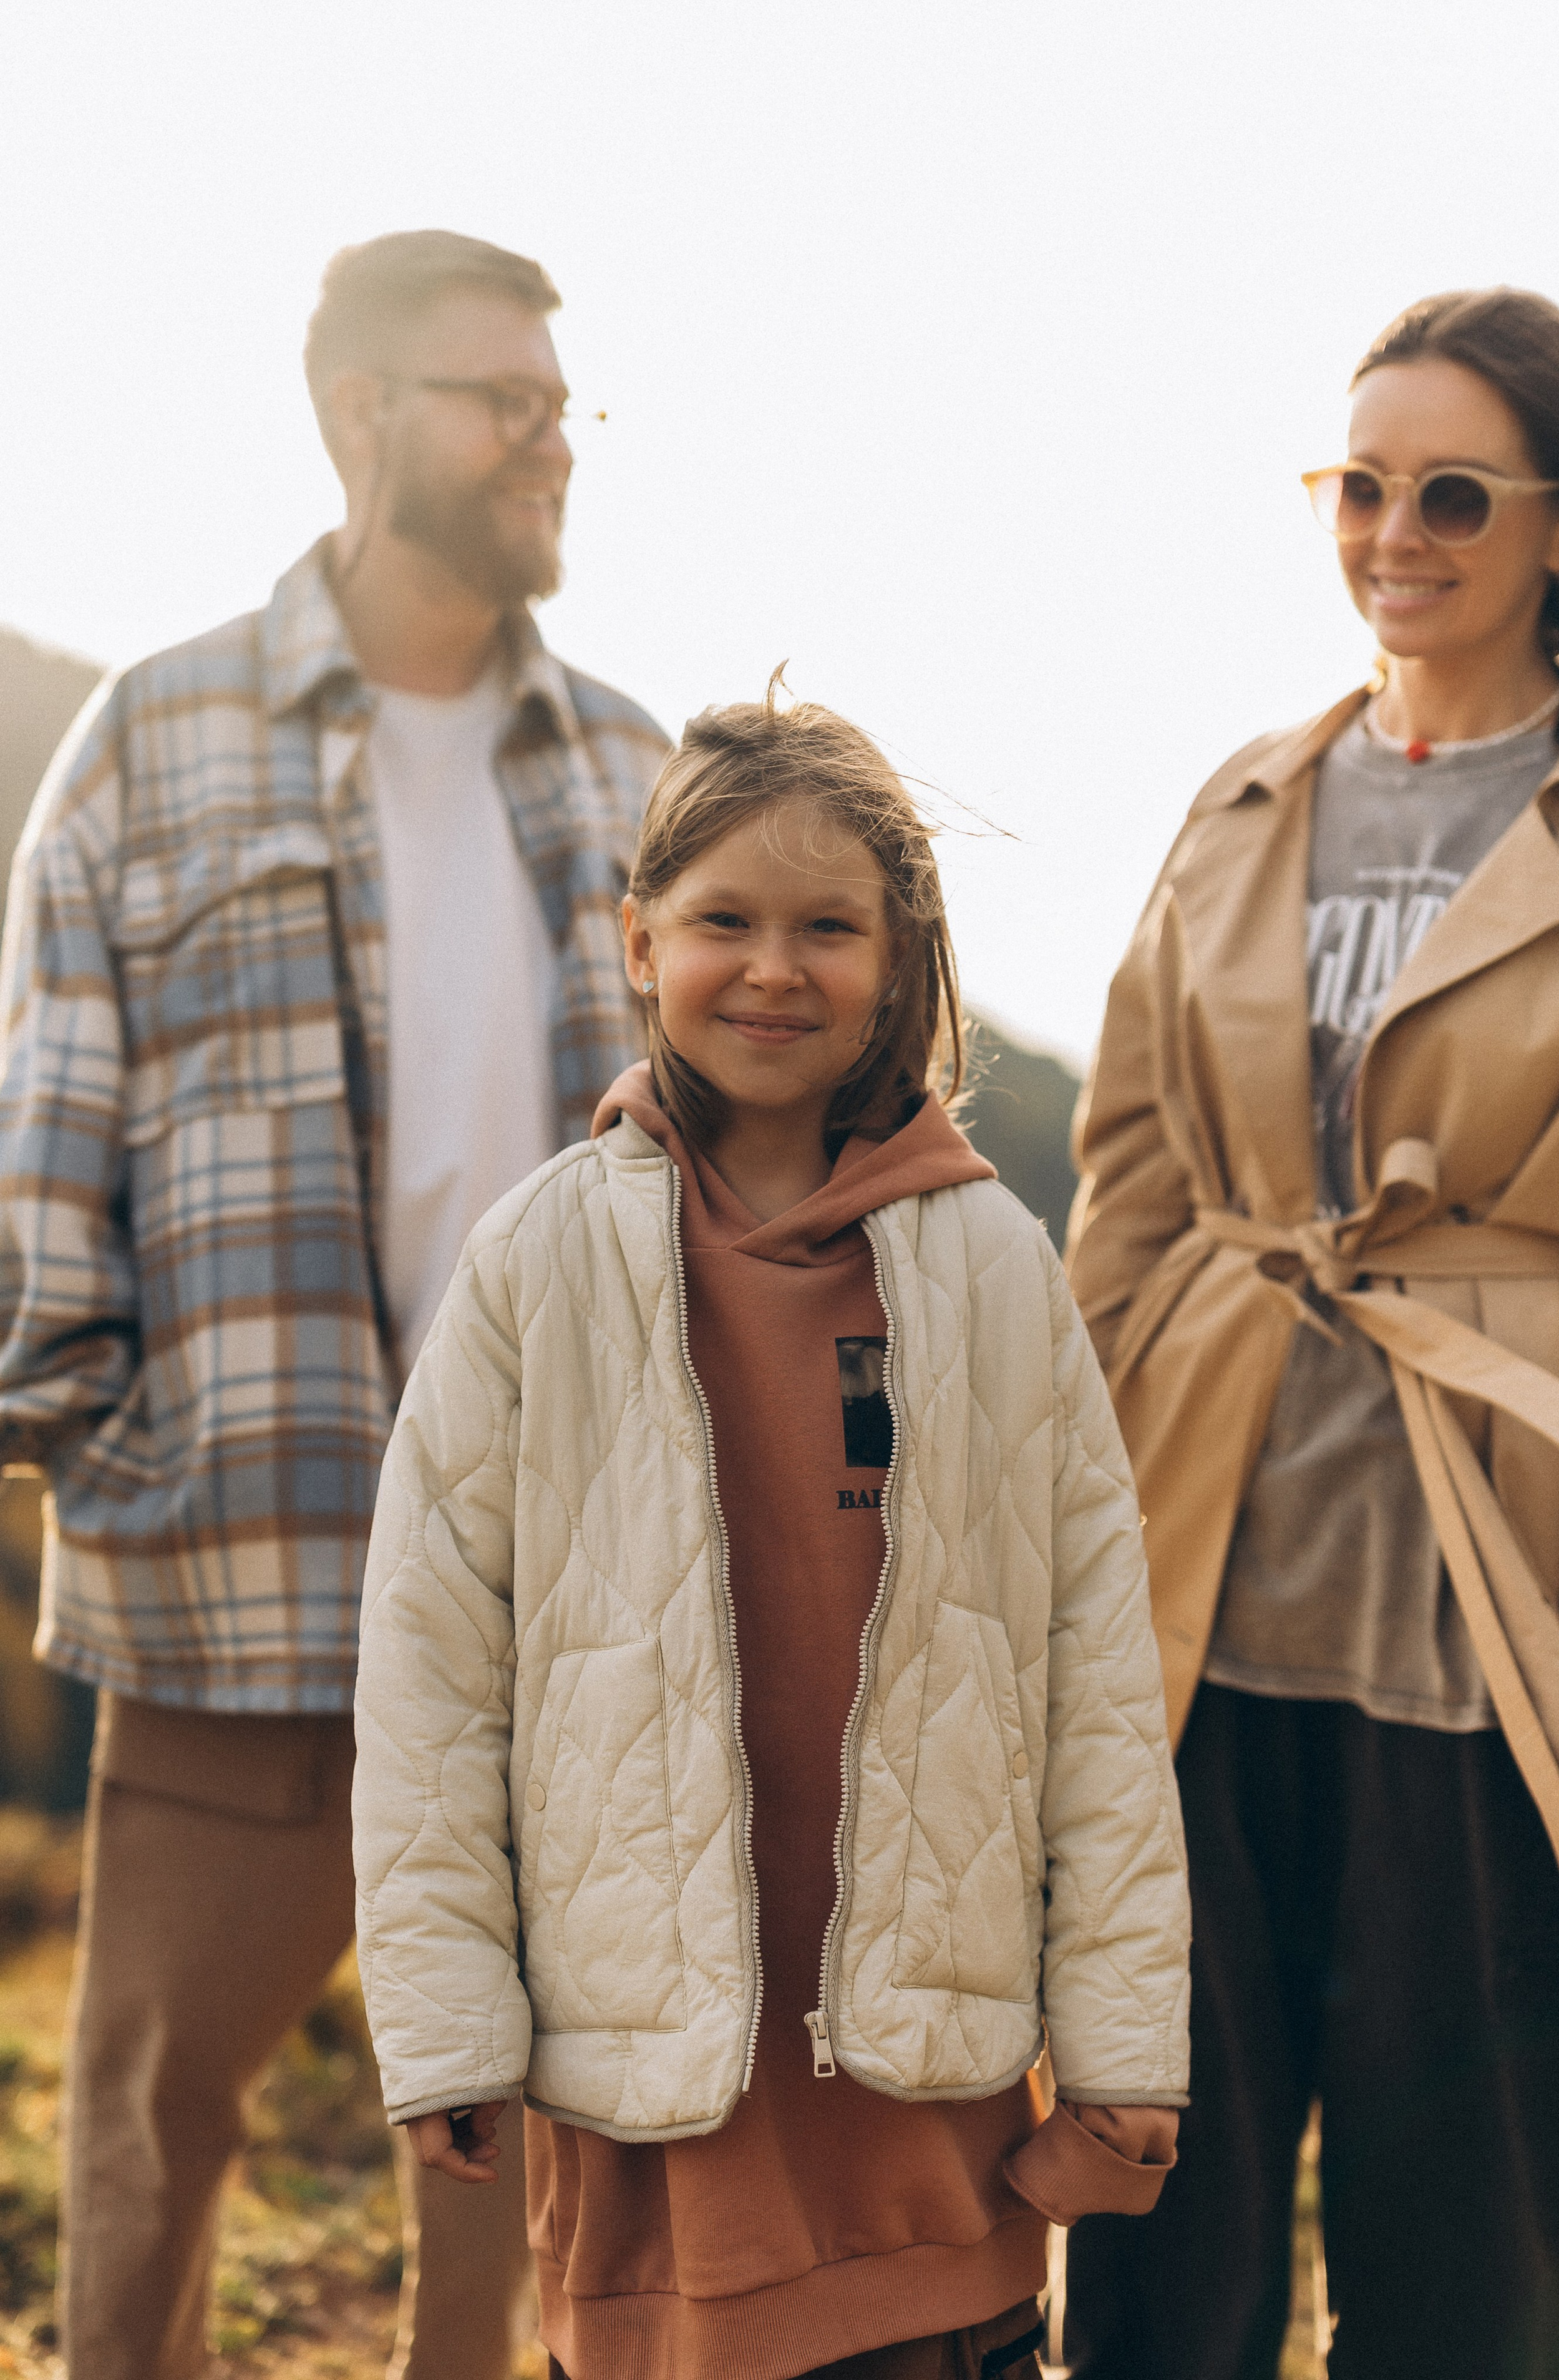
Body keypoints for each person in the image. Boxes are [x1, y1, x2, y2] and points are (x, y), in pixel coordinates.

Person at [0, 228, 669, 2379]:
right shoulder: (152, 737)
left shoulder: (639, 772)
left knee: (509, 2152)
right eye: (505, 401)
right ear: (359, 417)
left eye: (563, 405)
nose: (551, 440)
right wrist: (103, 1441)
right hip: (238, 1571)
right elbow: (46, 1129)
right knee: (149, 2131)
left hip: (553, 1594)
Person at [351, 689, 1192, 2380]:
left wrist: (1122, 2046)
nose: (774, 968)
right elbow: (431, 1670)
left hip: (933, 2120)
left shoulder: (991, 1269)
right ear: (637, 939)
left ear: (903, 956)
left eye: (830, 927)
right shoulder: (540, 1266)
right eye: (724, 921)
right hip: (659, 2120)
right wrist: (446, 2024)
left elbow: (1097, 1682)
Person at [1064, 288, 1559, 2380]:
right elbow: (1127, 1177)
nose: (1395, 530)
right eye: (1358, 484)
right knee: (1156, 2190)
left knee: (1470, 2233)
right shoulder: (1242, 804)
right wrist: (1076, 1526)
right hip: (1209, 1573)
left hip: (1494, 1592)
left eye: (1454, 490)